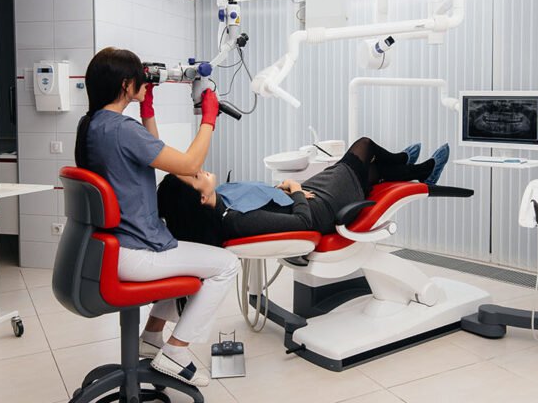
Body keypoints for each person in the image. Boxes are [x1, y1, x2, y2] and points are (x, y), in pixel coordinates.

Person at [75, 47, 240, 387]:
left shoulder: (93, 124)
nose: (144, 81)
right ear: (126, 85)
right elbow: (190, 164)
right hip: (135, 252)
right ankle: (176, 351)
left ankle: (151, 336)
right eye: (139, 78)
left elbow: (153, 152)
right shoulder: (122, 129)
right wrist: (209, 118)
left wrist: (147, 110)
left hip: (110, 247)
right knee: (226, 265)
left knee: (181, 250)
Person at [156, 137, 451, 247]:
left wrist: (279, 190)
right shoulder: (234, 219)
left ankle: (414, 169)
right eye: (194, 177)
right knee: (364, 147)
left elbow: (262, 203)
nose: (198, 169)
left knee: (371, 171)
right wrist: (295, 189)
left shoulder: (223, 199)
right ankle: (411, 166)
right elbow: (302, 223)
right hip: (319, 209)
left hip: (304, 197)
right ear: (201, 198)